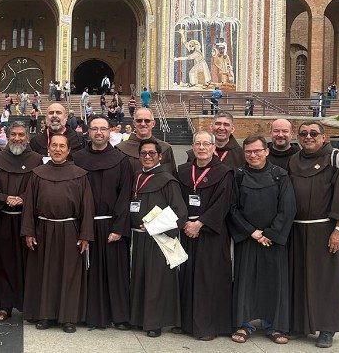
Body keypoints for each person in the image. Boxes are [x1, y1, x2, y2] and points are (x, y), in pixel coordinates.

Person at [22, 133, 94, 333]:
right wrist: (29, 231)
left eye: (62, 146)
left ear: (69, 150)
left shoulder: (80, 174)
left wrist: (85, 235)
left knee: (69, 274)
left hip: (70, 230)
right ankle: (44, 315)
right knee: (44, 273)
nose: (58, 149)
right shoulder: (37, 173)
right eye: (54, 145)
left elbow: (87, 207)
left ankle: (68, 318)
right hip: (43, 229)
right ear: (48, 148)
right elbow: (28, 206)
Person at [229, 135, 296, 345]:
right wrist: (252, 232)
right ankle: (244, 324)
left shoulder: (280, 175)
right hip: (248, 237)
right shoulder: (238, 176)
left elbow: (288, 208)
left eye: (257, 151)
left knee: (273, 282)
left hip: (272, 239)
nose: (253, 155)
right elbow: (232, 208)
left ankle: (273, 325)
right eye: (248, 152)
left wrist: (270, 233)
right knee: (245, 281)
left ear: (266, 151)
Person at [288, 122, 339, 348]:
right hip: (297, 228)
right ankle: (302, 324)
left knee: (325, 281)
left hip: (324, 229)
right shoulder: (294, 159)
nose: (308, 137)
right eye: (303, 134)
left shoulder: (336, 159)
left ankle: (327, 327)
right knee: (299, 277)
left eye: (313, 133)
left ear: (324, 137)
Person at [72, 115, 132, 330]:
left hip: (111, 225)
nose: (98, 133)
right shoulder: (77, 158)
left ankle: (119, 316)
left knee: (114, 273)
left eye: (103, 129)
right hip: (84, 224)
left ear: (110, 132)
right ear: (88, 131)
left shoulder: (121, 159)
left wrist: (118, 227)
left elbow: (126, 195)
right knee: (87, 271)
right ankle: (87, 314)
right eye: (94, 129)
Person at [177, 131, 234, 340]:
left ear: (213, 148)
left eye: (206, 144)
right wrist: (184, 222)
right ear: (192, 146)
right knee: (188, 275)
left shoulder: (225, 172)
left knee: (209, 278)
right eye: (198, 144)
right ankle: (186, 323)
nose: (201, 148)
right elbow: (176, 199)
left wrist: (200, 223)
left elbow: (223, 202)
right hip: (186, 230)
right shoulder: (183, 170)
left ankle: (209, 326)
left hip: (211, 233)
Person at [128, 138, 188, 337]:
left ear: (160, 156)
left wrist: (154, 227)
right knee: (140, 277)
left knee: (156, 281)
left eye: (151, 153)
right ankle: (138, 318)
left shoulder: (167, 179)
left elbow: (180, 211)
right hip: (140, 238)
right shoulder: (137, 176)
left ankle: (155, 323)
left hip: (158, 239)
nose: (147, 157)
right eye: (143, 153)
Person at [0, 122, 42, 321]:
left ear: (27, 138)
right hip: (3, 218)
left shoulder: (36, 160)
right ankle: (5, 305)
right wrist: (4, 198)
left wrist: (22, 198)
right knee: (4, 263)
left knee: (29, 263)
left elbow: (39, 187)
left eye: (21, 135)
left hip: (27, 221)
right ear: (8, 136)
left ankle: (29, 305)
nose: (17, 138)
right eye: (14, 135)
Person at [117, 108, 177, 175]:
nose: (143, 124)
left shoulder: (165, 148)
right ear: (134, 123)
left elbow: (171, 175)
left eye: (147, 120)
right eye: (139, 120)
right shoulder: (120, 149)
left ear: (153, 123)